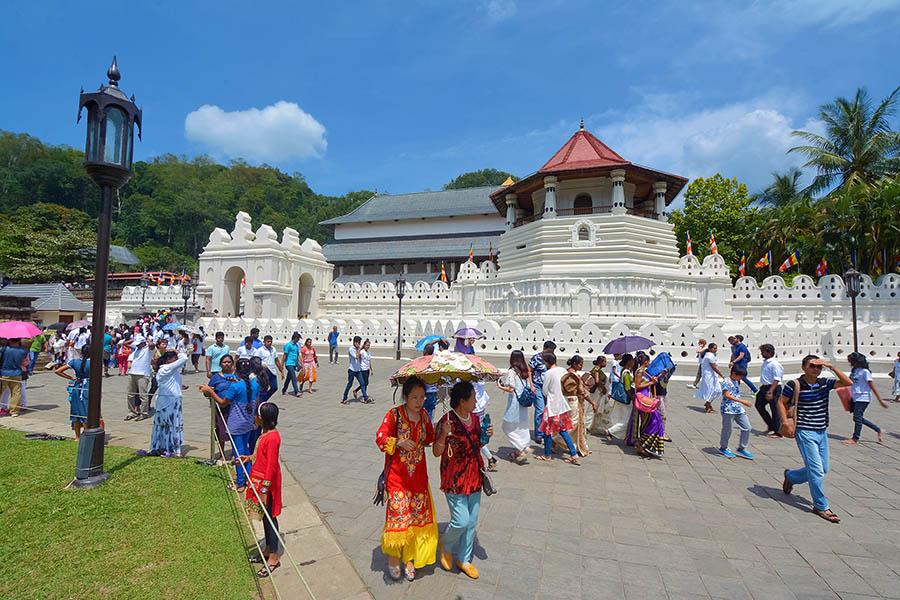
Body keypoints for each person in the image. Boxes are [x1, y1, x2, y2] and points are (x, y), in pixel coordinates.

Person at [375, 376, 438, 581]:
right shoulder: (394, 415)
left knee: (414, 518)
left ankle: (410, 558)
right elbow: (380, 438)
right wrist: (398, 442)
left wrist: (442, 431)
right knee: (399, 515)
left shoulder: (425, 416)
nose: (419, 402)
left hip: (418, 477)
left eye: (422, 397)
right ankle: (394, 557)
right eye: (414, 397)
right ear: (405, 397)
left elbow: (429, 438)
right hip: (397, 476)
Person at [778, 355, 852, 524]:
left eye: (818, 367)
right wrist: (784, 422)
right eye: (812, 366)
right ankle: (820, 505)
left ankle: (791, 476)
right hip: (805, 431)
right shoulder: (794, 384)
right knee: (817, 470)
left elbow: (848, 383)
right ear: (804, 367)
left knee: (823, 468)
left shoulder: (824, 383)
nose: (816, 369)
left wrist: (830, 366)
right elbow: (781, 402)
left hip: (821, 431)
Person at [433, 381, 490, 580]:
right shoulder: (446, 421)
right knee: (460, 520)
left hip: (474, 474)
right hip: (454, 478)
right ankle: (446, 544)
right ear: (462, 401)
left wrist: (485, 436)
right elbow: (436, 452)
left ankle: (465, 560)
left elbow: (477, 443)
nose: (476, 401)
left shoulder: (474, 419)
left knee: (472, 521)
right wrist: (442, 435)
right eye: (473, 398)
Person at [200, 358, 259, 492]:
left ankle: (240, 483)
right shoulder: (255, 384)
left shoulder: (235, 387)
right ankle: (250, 479)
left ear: (236, 370)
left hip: (236, 424)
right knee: (246, 451)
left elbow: (222, 402)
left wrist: (210, 392)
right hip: (248, 423)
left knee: (238, 454)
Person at [245, 402, 283, 578]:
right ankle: (267, 548)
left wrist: (265, 489)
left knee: (270, 519)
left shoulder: (273, 438)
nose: (255, 417)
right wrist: (248, 458)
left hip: (267, 485)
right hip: (259, 482)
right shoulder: (264, 434)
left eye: (256, 415)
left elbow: (271, 466)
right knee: (264, 518)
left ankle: (274, 556)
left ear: (262, 418)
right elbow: (260, 455)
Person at [140, 350, 189, 458]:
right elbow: (184, 358)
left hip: (170, 399)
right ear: (168, 360)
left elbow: (171, 382)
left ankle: (164, 447)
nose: (176, 361)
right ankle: (172, 449)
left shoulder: (171, 370)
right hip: (169, 401)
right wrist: (177, 351)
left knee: (166, 425)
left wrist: (180, 386)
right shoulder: (166, 368)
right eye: (174, 358)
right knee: (172, 424)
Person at [538, 352, 579, 464]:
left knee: (547, 431)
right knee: (563, 430)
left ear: (547, 362)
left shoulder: (548, 373)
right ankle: (573, 453)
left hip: (552, 405)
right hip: (562, 404)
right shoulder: (562, 370)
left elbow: (545, 391)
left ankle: (547, 454)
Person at [842, 352, 888, 445]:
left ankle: (855, 438)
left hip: (863, 397)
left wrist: (880, 400)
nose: (850, 363)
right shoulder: (854, 371)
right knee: (858, 418)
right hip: (854, 396)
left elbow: (871, 386)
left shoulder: (865, 372)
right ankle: (878, 430)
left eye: (851, 361)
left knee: (857, 418)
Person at [497, 350, 533, 463]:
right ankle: (521, 449)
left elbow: (511, 389)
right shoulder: (524, 370)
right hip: (523, 402)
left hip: (514, 402)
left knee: (506, 426)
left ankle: (522, 447)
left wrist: (500, 386)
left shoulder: (512, 371)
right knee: (522, 426)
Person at [627, 351, 664, 459]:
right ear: (646, 361)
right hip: (642, 399)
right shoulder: (639, 372)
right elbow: (637, 386)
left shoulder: (644, 371)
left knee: (648, 421)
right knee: (651, 420)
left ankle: (643, 444)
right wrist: (651, 383)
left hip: (646, 397)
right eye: (649, 361)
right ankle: (641, 444)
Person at [561, 355, 597, 457]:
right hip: (574, 401)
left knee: (573, 424)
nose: (581, 366)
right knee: (574, 423)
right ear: (574, 364)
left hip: (566, 400)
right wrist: (592, 402)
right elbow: (582, 392)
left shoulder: (566, 373)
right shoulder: (574, 376)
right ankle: (556, 439)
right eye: (580, 364)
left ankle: (577, 446)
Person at [203, 354, 238, 460]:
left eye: (229, 362)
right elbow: (207, 392)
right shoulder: (215, 377)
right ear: (220, 364)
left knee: (234, 431)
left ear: (232, 364)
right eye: (224, 362)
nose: (227, 364)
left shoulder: (237, 376)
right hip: (220, 409)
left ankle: (235, 452)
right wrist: (208, 391)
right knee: (220, 431)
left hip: (234, 409)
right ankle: (221, 452)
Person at [55, 344, 91, 439]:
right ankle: (87, 435)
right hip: (88, 386)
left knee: (75, 411)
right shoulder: (94, 363)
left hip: (77, 386)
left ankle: (77, 436)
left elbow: (58, 371)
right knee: (86, 411)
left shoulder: (74, 362)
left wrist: (71, 378)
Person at [719, 365, 754, 459]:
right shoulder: (727, 381)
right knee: (727, 430)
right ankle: (723, 447)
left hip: (738, 409)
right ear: (734, 373)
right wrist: (742, 401)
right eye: (740, 376)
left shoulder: (736, 381)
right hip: (728, 409)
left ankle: (742, 447)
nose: (741, 379)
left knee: (747, 427)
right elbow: (726, 395)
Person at [600, 354, 633, 440]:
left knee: (623, 418)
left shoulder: (623, 370)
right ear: (629, 361)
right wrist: (632, 397)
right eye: (632, 360)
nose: (633, 362)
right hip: (626, 399)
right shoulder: (627, 372)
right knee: (627, 420)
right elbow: (627, 387)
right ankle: (610, 431)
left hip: (621, 398)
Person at [529, 341, 556, 441]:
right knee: (540, 409)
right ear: (545, 348)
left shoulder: (552, 357)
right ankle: (539, 434)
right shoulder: (536, 358)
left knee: (548, 410)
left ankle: (547, 431)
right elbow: (529, 371)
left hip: (548, 386)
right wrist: (531, 385)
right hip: (538, 386)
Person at [756, 344, 784, 437]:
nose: (761, 353)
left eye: (763, 352)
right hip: (764, 387)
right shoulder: (766, 362)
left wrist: (770, 391)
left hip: (773, 388)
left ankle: (778, 431)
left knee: (775, 409)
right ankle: (771, 426)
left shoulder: (775, 364)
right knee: (759, 405)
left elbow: (777, 379)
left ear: (769, 352)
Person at [123, 335, 152, 420]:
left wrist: (148, 340)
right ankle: (132, 412)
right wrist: (133, 339)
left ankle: (144, 413)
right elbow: (124, 343)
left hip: (143, 374)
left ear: (143, 343)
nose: (137, 345)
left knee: (143, 395)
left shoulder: (148, 350)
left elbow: (152, 346)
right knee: (130, 394)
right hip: (132, 373)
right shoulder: (136, 348)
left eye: (139, 344)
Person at [0, 338, 29, 417]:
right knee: (16, 393)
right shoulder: (23, 351)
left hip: (4, 372)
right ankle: (14, 411)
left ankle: (4, 408)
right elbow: (25, 363)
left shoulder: (4, 349)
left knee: (1, 391)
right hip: (17, 373)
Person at [253, 335, 283, 402]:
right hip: (264, 372)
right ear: (264, 342)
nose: (269, 343)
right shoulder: (260, 350)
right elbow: (255, 360)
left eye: (271, 341)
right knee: (264, 388)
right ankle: (260, 401)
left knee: (274, 387)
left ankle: (263, 399)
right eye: (268, 341)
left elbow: (277, 360)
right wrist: (261, 365)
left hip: (272, 371)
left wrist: (281, 370)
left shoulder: (273, 349)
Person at [341, 336, 370, 404]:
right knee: (349, 384)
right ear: (354, 342)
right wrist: (359, 350)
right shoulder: (351, 349)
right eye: (357, 342)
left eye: (359, 342)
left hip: (358, 370)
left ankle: (365, 398)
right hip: (352, 370)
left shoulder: (359, 349)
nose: (358, 344)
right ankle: (344, 398)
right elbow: (356, 357)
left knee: (363, 383)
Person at [695, 343, 723, 413]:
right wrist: (721, 375)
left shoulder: (707, 354)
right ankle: (708, 405)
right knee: (712, 390)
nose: (715, 350)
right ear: (710, 348)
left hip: (710, 376)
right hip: (709, 376)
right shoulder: (709, 356)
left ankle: (708, 403)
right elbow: (714, 367)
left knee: (717, 390)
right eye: (714, 348)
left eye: (716, 348)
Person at [587, 356, 608, 436]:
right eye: (604, 361)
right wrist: (602, 388)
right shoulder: (596, 369)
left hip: (597, 391)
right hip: (596, 391)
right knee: (593, 408)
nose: (606, 363)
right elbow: (597, 380)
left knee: (594, 408)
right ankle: (588, 426)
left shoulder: (598, 369)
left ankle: (591, 426)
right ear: (600, 362)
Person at [422, 344, 440, 420]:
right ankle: (430, 425)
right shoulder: (435, 362)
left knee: (421, 410)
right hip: (433, 390)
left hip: (425, 390)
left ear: (425, 351)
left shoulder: (422, 362)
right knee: (430, 410)